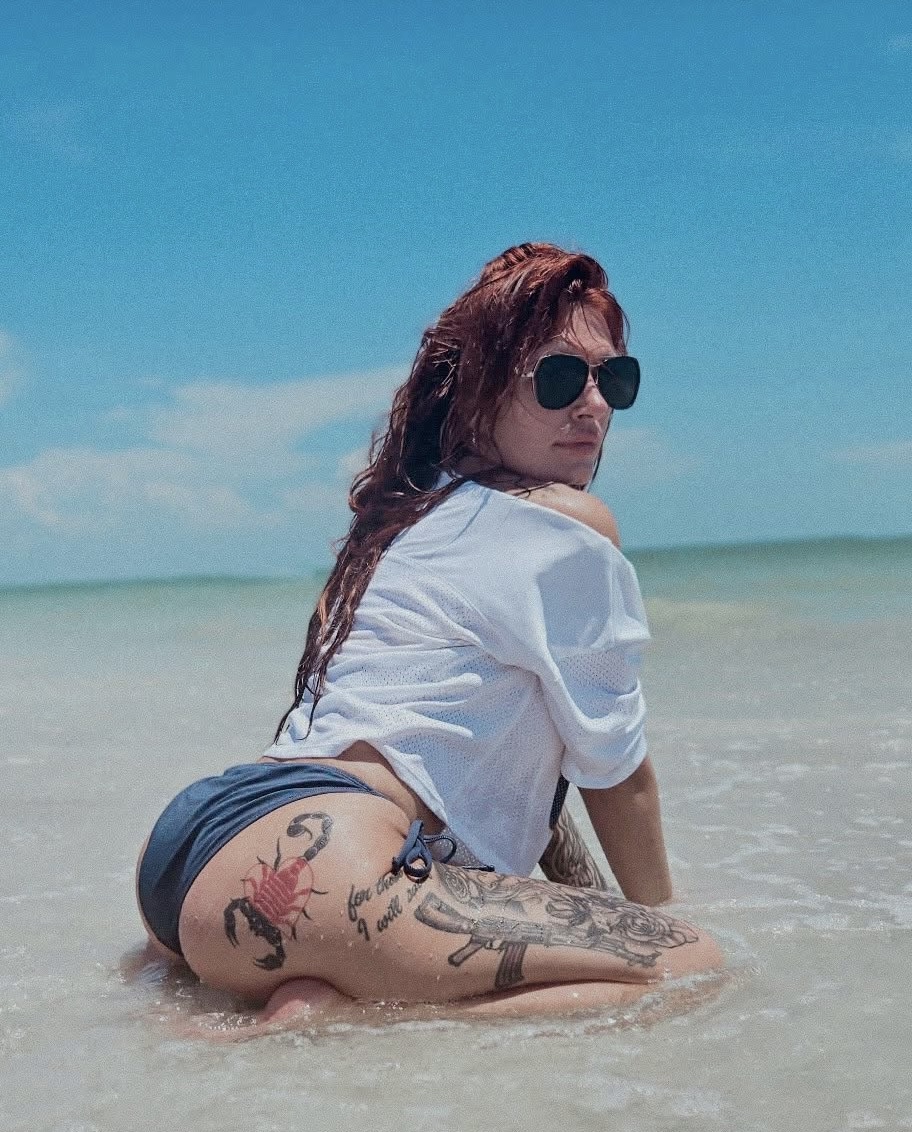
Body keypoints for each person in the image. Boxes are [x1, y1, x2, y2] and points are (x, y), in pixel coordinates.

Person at [136, 242, 721, 1020]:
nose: (592, 405)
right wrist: (658, 921)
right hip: (334, 864)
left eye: (614, 379)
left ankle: (319, 984)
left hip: (189, 852)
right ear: (476, 388)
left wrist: (589, 913)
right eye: (558, 377)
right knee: (692, 968)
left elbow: (514, 796)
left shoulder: (406, 521)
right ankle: (349, 1017)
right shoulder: (568, 525)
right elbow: (617, 775)